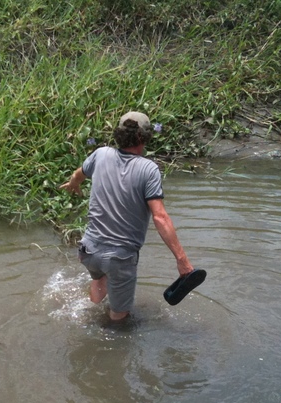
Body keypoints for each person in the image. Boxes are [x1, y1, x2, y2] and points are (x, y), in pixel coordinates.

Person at [59, 111, 195, 321]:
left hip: (89, 250)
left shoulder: (101, 154)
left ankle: (91, 313)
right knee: (119, 321)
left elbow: (78, 174)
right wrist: (182, 260)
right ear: (145, 137)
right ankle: (108, 338)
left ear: (119, 134)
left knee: (99, 280)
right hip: (119, 258)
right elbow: (160, 217)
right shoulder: (148, 170)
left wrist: (73, 184)